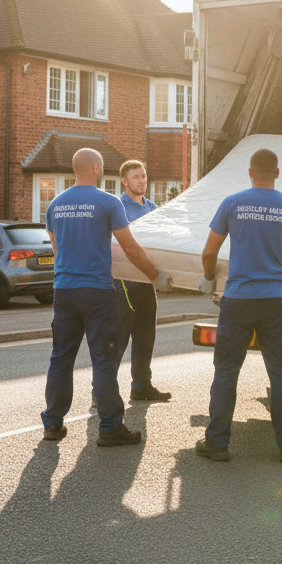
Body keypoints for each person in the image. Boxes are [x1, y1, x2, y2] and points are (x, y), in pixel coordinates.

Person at [41, 148, 172, 447]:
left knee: (61, 357)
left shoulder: (55, 205)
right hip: (97, 291)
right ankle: (111, 427)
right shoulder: (108, 202)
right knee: (103, 358)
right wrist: (155, 276)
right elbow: (131, 248)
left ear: (76, 169)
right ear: (98, 169)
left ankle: (53, 423)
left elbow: (57, 250)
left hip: (64, 290)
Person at [195, 148, 282, 463]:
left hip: (239, 300)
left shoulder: (232, 203)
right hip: (275, 300)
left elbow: (208, 253)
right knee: (281, 372)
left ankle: (217, 444)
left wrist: (208, 278)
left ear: (250, 172)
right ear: (278, 173)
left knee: (227, 370)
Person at [114, 159, 172, 402]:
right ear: (124, 182)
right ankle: (101, 390)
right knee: (118, 338)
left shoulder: (152, 208)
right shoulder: (116, 206)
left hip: (148, 280)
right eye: (136, 177)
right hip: (124, 282)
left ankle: (141, 386)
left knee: (145, 336)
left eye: (144, 176)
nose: (142, 181)